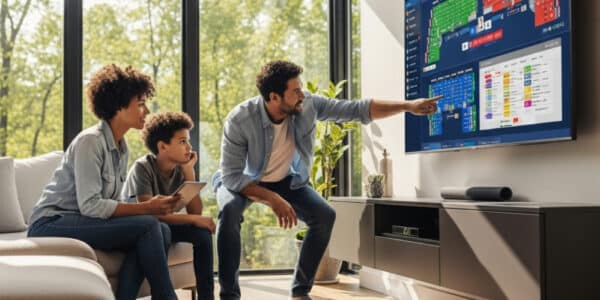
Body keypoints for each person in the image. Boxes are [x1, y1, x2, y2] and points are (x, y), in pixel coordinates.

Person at [212, 60, 441, 300]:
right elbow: (232, 176)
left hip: (287, 180)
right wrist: (271, 198)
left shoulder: (308, 104)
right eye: (295, 91)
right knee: (229, 211)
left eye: (301, 88)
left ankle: (300, 291)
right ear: (274, 97)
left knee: (324, 215)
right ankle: (229, 295)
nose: (303, 94)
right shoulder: (239, 119)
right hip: (243, 181)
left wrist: (408, 106)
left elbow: (357, 109)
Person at [28, 64, 181, 300]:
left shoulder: (122, 148)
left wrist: (148, 209)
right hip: (51, 222)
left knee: (161, 229)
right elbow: (90, 205)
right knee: (150, 225)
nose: (146, 110)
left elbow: (111, 204)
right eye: (140, 103)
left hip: (82, 219)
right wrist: (146, 208)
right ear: (119, 106)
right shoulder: (91, 142)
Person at [121, 111, 216, 300]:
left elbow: (195, 210)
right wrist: (195, 219)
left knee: (203, 236)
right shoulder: (143, 168)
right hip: (143, 226)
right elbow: (150, 213)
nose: (189, 147)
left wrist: (189, 172)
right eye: (182, 142)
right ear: (163, 146)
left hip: (166, 223)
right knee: (161, 228)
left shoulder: (181, 168)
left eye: (188, 141)